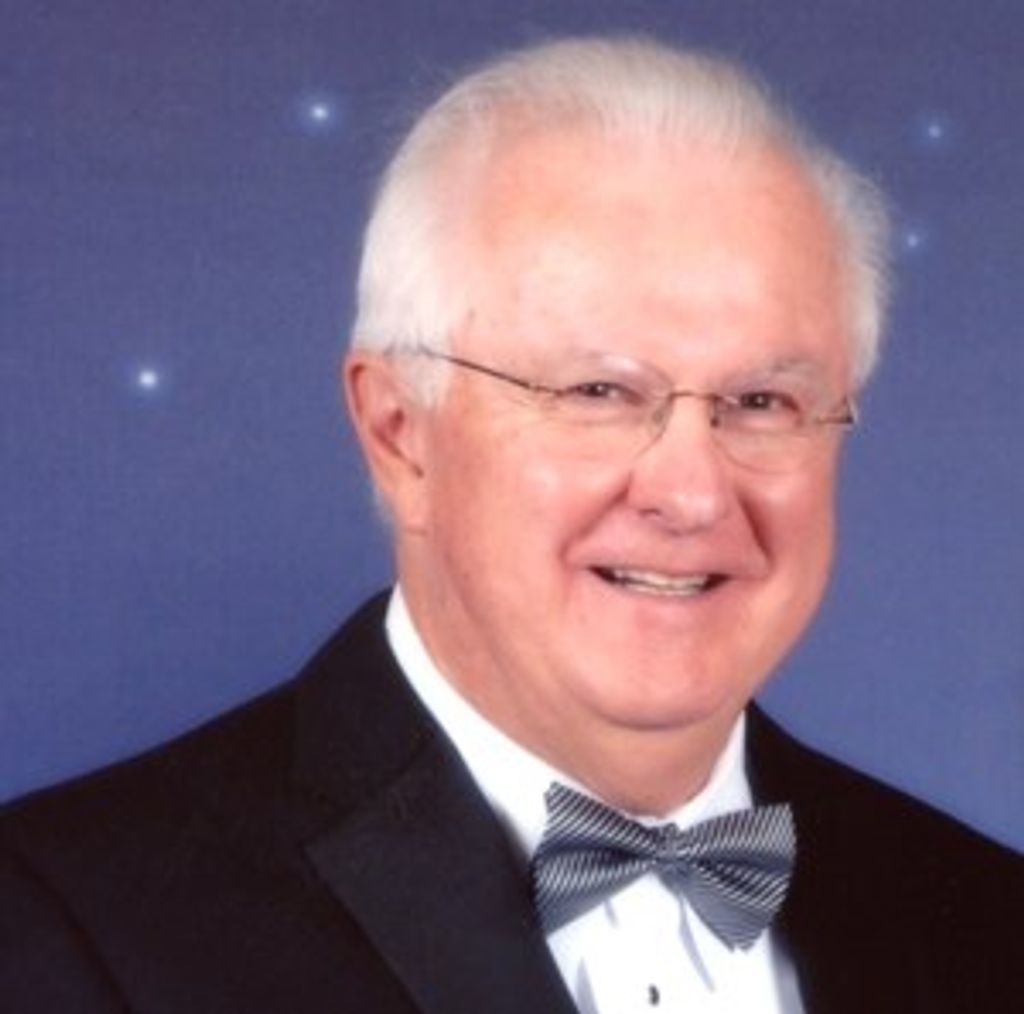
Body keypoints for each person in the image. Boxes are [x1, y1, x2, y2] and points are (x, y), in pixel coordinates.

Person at [1, 35, 1020, 1014]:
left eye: (761, 402)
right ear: (400, 434)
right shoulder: (60, 931)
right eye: (597, 391)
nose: (692, 494)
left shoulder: (986, 920)